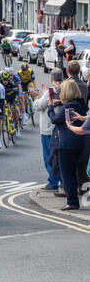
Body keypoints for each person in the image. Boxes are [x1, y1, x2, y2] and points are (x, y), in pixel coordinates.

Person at [48, 80, 87, 210]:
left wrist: (50, 107)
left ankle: (72, 202)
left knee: (67, 174)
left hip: (67, 144)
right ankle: (74, 200)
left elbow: (55, 119)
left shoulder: (67, 106)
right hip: (80, 142)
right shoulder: (80, 104)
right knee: (74, 172)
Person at [30, 69, 63, 191]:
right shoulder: (65, 90)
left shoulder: (49, 92)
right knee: (59, 158)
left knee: (49, 157)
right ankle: (61, 182)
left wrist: (36, 97)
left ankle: (53, 183)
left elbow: (39, 106)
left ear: (51, 80)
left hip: (47, 130)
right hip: (59, 129)